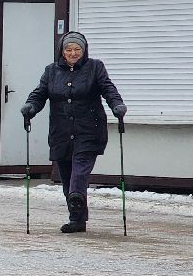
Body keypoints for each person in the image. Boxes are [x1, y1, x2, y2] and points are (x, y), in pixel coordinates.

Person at [21, 31, 127, 234]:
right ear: (62, 51)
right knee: (67, 177)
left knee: (79, 172)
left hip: (89, 130)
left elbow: (108, 89)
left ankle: (76, 197)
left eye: (77, 49)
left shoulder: (95, 67)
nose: (73, 53)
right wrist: (31, 107)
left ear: (84, 50)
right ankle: (77, 220)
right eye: (69, 49)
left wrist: (117, 105)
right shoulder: (51, 71)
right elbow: (40, 94)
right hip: (61, 132)